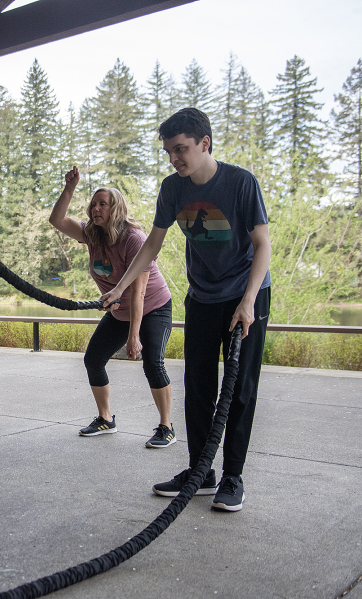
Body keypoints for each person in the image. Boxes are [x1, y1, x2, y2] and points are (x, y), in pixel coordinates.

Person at [100, 108, 272, 512]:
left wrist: (248, 302)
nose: (174, 159)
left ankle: (232, 477)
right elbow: (152, 246)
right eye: (169, 152)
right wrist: (121, 288)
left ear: (204, 144)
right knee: (197, 386)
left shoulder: (240, 182)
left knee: (240, 388)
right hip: (204, 296)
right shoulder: (172, 188)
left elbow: (262, 244)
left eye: (181, 150)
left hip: (247, 294)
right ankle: (201, 472)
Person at [49, 166, 176, 447]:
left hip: (153, 306)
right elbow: (56, 220)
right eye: (93, 204)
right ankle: (106, 418)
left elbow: (139, 293)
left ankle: (166, 426)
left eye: (102, 204)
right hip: (120, 310)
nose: (96, 208)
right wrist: (70, 188)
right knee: (93, 359)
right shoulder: (92, 235)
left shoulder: (134, 239)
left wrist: (133, 338)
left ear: (115, 208)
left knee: (152, 362)